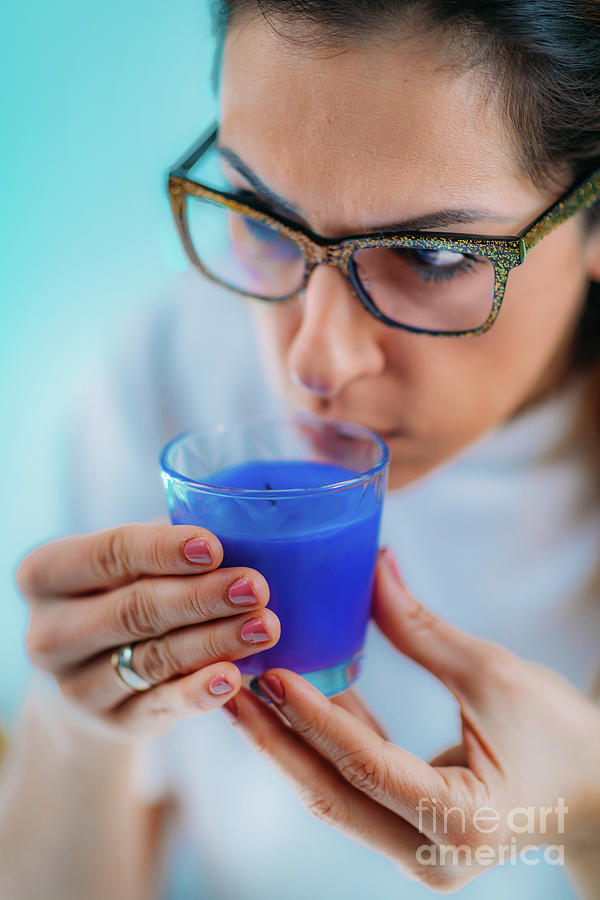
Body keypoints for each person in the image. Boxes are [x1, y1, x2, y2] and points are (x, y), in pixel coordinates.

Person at [2, 0, 600, 897]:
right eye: (261, 218)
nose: (311, 361)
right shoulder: (174, 385)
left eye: (431, 256)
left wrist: (586, 818)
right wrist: (83, 728)